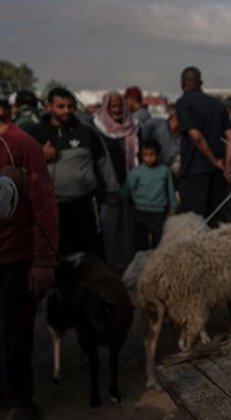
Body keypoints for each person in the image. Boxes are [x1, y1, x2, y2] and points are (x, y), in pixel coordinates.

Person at [0, 101, 59, 419]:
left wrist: (43, 261)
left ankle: (19, 400)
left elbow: (43, 206)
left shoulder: (23, 146)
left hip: (15, 258)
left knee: (15, 334)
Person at [30, 87, 118, 259]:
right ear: (49, 107)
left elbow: (103, 160)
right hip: (50, 206)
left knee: (88, 252)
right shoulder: (36, 133)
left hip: (83, 204)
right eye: (60, 106)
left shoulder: (86, 131)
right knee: (54, 251)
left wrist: (112, 189)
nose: (66, 111)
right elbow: (20, 164)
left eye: (70, 106)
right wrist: (41, 155)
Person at [174, 66, 231, 225]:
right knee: (215, 221)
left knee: (194, 224)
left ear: (182, 84)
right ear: (200, 82)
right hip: (217, 173)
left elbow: (196, 136)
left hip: (195, 172)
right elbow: (229, 136)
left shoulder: (183, 103)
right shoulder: (218, 105)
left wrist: (213, 160)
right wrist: (226, 165)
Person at [119, 139, 176, 250]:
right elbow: (127, 188)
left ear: (158, 154)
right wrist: (117, 196)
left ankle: (156, 264)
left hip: (158, 212)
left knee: (159, 241)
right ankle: (142, 264)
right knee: (141, 242)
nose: (148, 158)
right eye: (145, 155)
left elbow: (170, 190)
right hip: (141, 211)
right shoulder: (137, 172)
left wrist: (173, 207)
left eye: (152, 154)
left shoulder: (164, 171)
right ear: (141, 155)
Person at [93, 90, 140, 184]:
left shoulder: (134, 126)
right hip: (105, 182)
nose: (117, 110)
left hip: (130, 182)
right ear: (106, 107)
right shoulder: (97, 128)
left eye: (120, 106)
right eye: (113, 106)